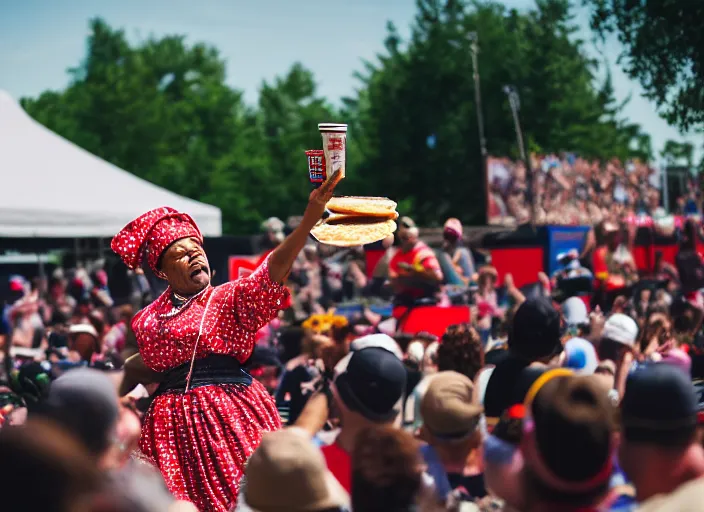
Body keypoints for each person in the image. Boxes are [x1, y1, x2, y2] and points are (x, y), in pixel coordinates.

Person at [110, 171, 342, 511]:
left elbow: (274, 265)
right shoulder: (147, 319)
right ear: (162, 271)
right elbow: (141, 366)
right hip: (174, 432)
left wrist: (309, 220)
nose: (195, 256)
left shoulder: (229, 298)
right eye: (181, 254)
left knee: (250, 497)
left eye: (197, 249)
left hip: (232, 414)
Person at [388, 217, 443, 304]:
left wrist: (416, 271)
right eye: (403, 238)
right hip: (403, 300)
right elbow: (393, 279)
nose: (405, 241)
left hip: (425, 299)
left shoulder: (424, 254)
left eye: (407, 238)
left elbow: (437, 277)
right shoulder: (396, 256)